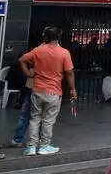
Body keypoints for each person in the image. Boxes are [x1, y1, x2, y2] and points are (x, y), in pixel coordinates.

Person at [20, 26, 76, 156]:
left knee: (34, 118)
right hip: (54, 92)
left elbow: (22, 60)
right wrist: (73, 89)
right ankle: (44, 146)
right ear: (58, 37)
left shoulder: (37, 50)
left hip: (37, 90)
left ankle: (31, 147)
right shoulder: (64, 53)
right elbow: (69, 73)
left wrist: (28, 73)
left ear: (45, 37)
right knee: (48, 120)